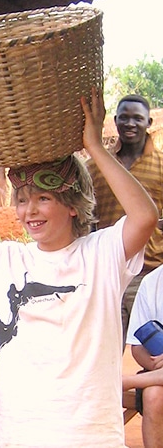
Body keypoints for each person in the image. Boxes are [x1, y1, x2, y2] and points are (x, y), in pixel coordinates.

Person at [0, 88, 158, 447]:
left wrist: (94, 148)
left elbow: (144, 216)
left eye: (43, 199)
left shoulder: (101, 253)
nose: (28, 211)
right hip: (22, 437)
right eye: (22, 200)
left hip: (91, 439)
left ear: (73, 205)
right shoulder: (2, 260)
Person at [86, 94, 163, 345]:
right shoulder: (95, 167)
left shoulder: (161, 164)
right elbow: (87, 217)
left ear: (148, 122)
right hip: (109, 271)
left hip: (149, 273)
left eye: (137, 118)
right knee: (105, 347)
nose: (131, 123)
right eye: (125, 117)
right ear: (115, 120)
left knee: (153, 349)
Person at [125, 263, 163, 447]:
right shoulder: (152, 282)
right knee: (153, 395)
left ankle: (125, 382)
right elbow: (137, 347)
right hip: (159, 372)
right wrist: (156, 363)